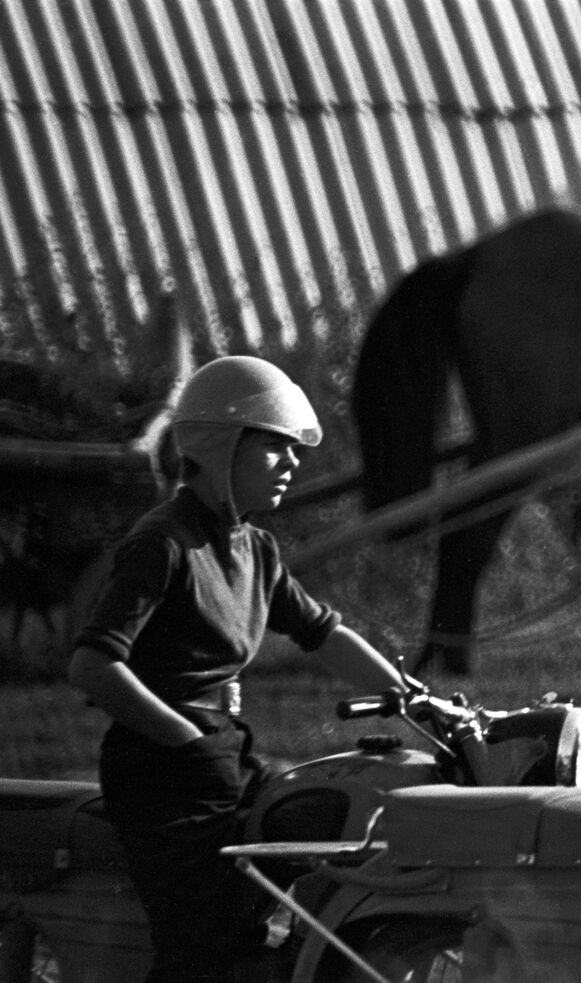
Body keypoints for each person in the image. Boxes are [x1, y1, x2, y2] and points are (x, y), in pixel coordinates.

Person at [68, 355, 404, 983]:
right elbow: (93, 664)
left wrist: (409, 694)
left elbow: (323, 633)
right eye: (274, 448)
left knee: (337, 816)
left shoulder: (255, 549)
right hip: (163, 773)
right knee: (201, 946)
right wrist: (182, 736)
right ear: (223, 447)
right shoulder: (164, 543)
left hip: (228, 758)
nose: (292, 464)